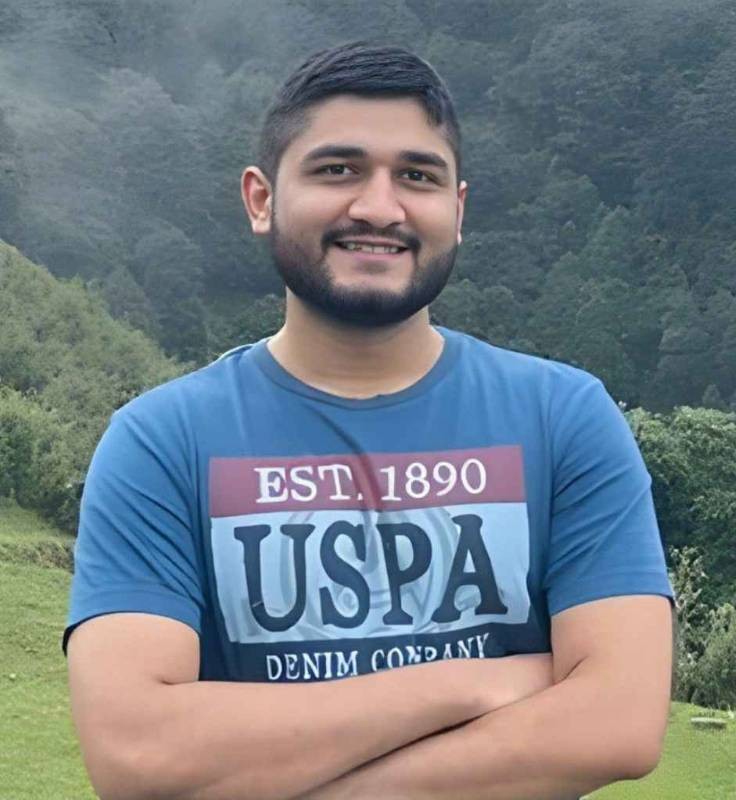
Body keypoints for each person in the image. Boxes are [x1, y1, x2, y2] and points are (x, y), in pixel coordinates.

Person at [64, 41, 675, 800]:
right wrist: (473, 682)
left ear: (457, 209)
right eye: (337, 170)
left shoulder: (565, 417)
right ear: (261, 199)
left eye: (417, 176)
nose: (380, 208)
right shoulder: (160, 442)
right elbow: (136, 751)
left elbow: (616, 724)